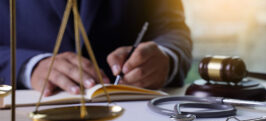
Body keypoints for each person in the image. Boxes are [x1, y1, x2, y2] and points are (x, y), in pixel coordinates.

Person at [0, 0, 192, 96]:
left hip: (129, 113)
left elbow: (171, 29)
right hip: (23, 118)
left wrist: (167, 57)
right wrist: (28, 66)